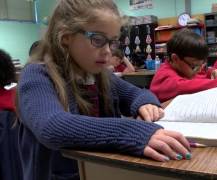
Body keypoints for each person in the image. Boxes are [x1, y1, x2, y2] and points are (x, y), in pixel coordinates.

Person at [16, 1, 191, 179]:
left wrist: (145, 103)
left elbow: (138, 93)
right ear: (66, 37)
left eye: (113, 42)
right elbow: (52, 127)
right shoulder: (37, 75)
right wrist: (131, 132)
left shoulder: (99, 75)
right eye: (98, 40)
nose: (108, 51)